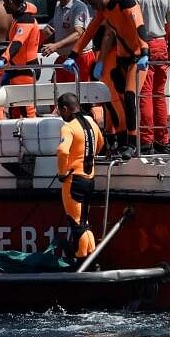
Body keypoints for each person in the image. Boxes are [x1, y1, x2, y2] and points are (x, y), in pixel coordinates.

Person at [65, 0, 149, 159]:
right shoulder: (103, 10)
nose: (94, 9)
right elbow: (89, 32)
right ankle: (121, 139)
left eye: (94, 4)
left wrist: (145, 51)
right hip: (122, 59)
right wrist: (73, 54)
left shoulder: (125, 2)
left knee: (130, 96)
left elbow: (139, 26)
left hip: (137, 58)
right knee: (113, 99)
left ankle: (133, 143)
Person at [132, 0, 170, 154]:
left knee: (145, 95)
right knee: (160, 95)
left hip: (145, 46)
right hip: (162, 44)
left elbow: (132, 25)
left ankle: (147, 141)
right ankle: (162, 139)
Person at [55, 92, 104, 264]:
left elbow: (62, 150)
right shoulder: (91, 122)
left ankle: (81, 258)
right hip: (89, 178)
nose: (61, 115)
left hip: (73, 180)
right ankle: (92, 257)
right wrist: (89, 156)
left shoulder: (68, 127)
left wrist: (62, 173)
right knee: (84, 221)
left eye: (60, 111)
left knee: (76, 222)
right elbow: (100, 142)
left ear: (65, 109)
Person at [0, 0, 41, 119]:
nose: (4, 6)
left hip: (25, 69)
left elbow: (17, 42)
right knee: (17, 110)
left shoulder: (25, 20)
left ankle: (33, 137)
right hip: (17, 68)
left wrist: (3, 59)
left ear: (11, 2)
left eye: (5, 3)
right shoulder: (19, 17)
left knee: (27, 110)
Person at [42, 0, 96, 84]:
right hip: (64, 58)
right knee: (59, 94)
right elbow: (62, 30)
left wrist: (56, 45)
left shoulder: (78, 7)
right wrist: (47, 41)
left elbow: (79, 33)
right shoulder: (58, 6)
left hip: (80, 58)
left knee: (81, 96)